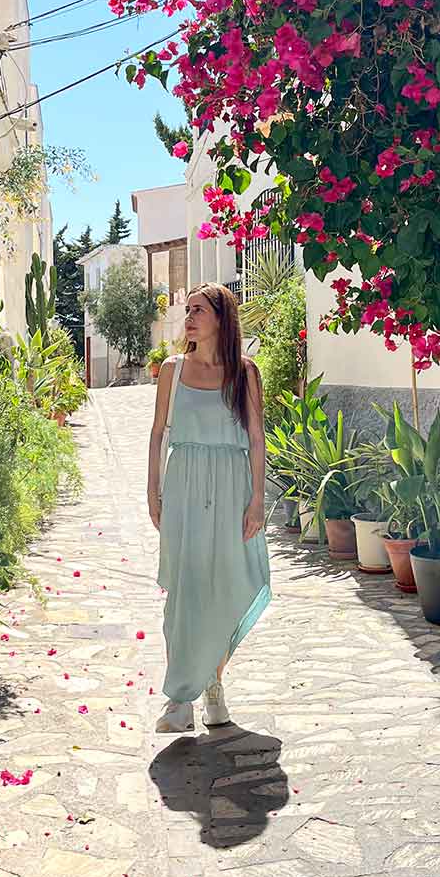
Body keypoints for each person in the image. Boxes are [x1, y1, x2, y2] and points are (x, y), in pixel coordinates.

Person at [147, 282, 271, 731]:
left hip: (232, 485)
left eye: (198, 310)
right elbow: (159, 433)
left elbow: (256, 438)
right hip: (183, 484)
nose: (190, 317)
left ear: (222, 318)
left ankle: (213, 686)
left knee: (222, 587)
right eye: (188, 311)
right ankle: (179, 700)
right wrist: (152, 489)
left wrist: (257, 499)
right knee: (184, 589)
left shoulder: (245, 373)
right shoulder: (172, 370)